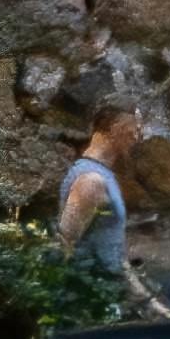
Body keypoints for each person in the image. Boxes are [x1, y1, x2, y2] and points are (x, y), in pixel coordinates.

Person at [59, 106, 142, 297]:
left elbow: (113, 250)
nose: (137, 137)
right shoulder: (91, 180)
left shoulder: (104, 176)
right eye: (135, 129)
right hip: (93, 296)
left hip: (107, 292)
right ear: (115, 128)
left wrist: (144, 298)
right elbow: (66, 243)